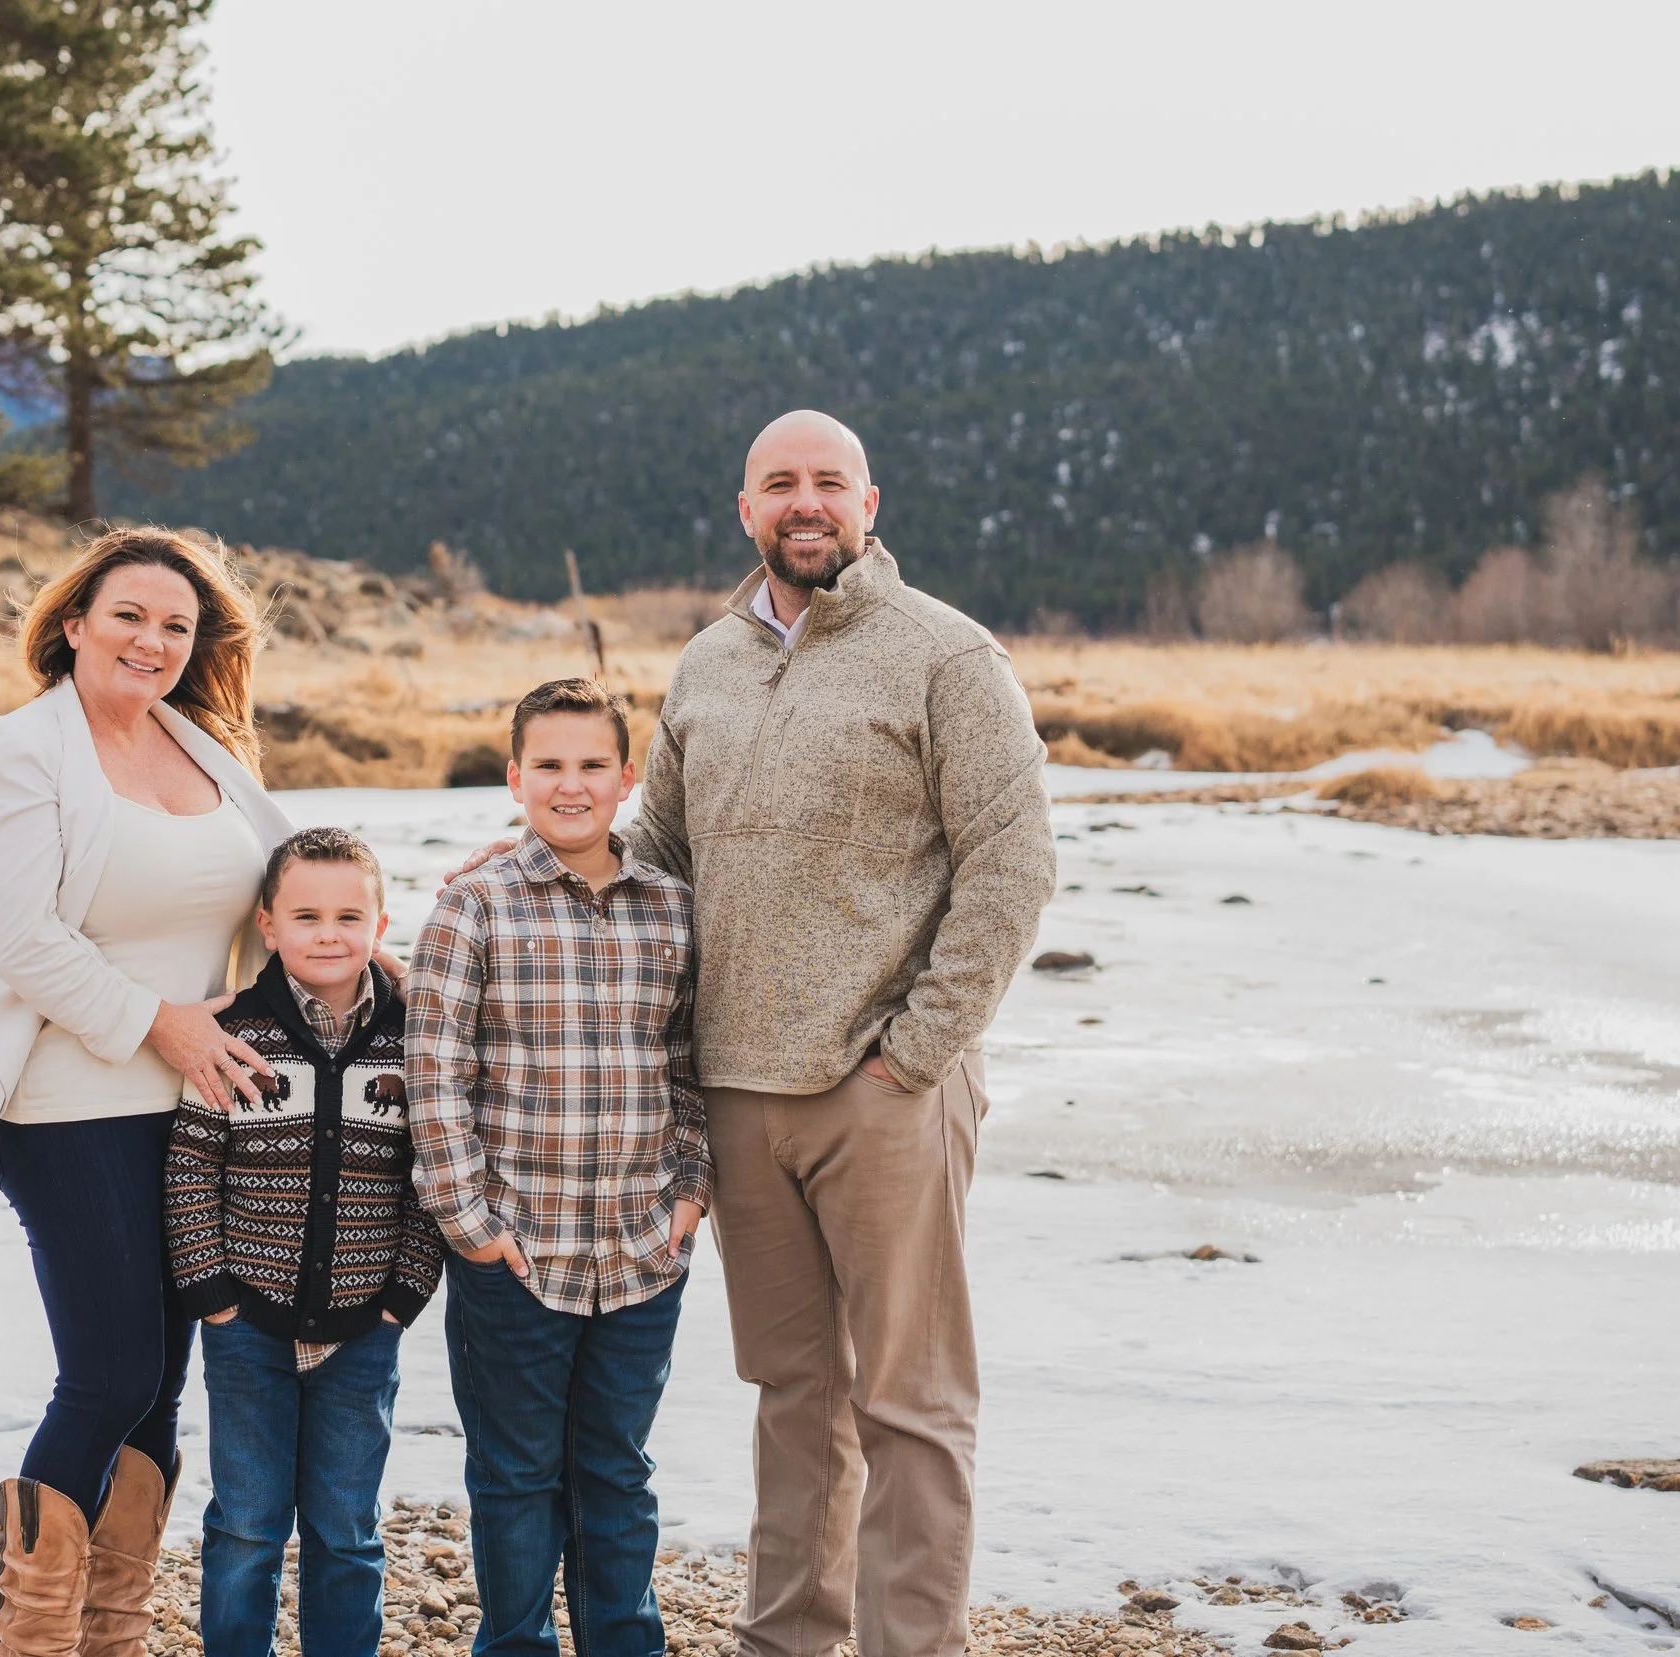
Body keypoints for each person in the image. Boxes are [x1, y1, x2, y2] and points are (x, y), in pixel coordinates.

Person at [635, 412, 1055, 1657]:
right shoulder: (706, 661)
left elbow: (1013, 862)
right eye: (781, 483)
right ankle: (784, 1642)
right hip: (737, 1093)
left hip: (885, 1091)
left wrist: (915, 1054)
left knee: (911, 1402)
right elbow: (658, 858)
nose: (804, 501)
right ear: (745, 509)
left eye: (828, 482)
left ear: (869, 504)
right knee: (792, 1396)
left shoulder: (945, 654)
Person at [0, 525, 295, 1657]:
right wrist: (163, 1023)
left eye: (176, 626)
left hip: (193, 1111)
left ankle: (112, 1630)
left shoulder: (202, 746)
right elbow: (23, 939)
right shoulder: (20, 750)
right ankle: (29, 1635)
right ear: (75, 622)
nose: (151, 640)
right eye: (129, 615)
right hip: (64, 1103)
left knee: (160, 1386)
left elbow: (279, 890)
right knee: (110, 1371)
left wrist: (355, 947)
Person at [406, 676, 709, 1657]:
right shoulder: (472, 905)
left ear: (627, 778)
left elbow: (689, 1062)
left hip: (638, 1249)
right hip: (517, 1253)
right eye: (548, 765)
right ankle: (516, 1644)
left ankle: (625, 1643)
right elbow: (434, 1074)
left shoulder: (670, 909)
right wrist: (469, 1223)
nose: (569, 785)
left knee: (615, 1471)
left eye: (590, 766)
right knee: (515, 1472)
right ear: (513, 776)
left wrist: (691, 1188)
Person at [163, 826, 444, 1657]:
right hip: (246, 1322)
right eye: (308, 914)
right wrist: (211, 1297)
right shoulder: (234, 1034)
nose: (330, 932)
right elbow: (189, 1171)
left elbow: (428, 1177)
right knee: (248, 1523)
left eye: (349, 915)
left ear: (380, 926)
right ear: (269, 925)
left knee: (347, 1527)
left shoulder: (408, 1038)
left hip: (364, 1329)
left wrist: (403, 1296)